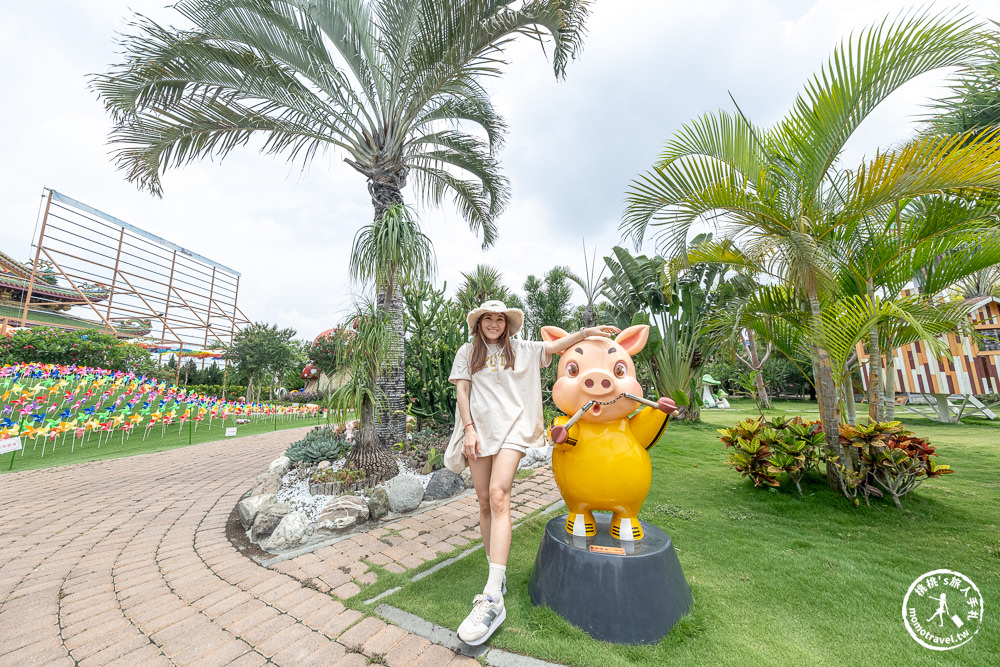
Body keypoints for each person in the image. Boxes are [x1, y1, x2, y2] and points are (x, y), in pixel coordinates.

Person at [444, 299, 618, 646]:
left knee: (498, 494)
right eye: (488, 319)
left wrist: (588, 332)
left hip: (514, 430)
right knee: (482, 502)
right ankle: (497, 570)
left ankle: (493, 595)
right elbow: (462, 390)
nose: (494, 323)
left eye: (500, 319)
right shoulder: (467, 351)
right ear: (478, 323)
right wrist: (469, 429)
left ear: (508, 324)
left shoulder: (522, 349)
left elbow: (555, 345)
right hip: (478, 429)